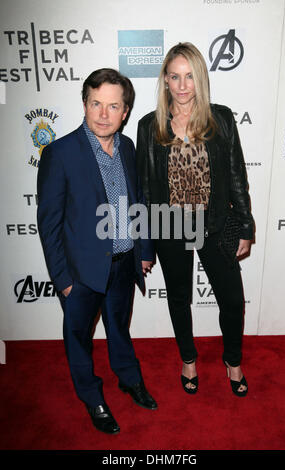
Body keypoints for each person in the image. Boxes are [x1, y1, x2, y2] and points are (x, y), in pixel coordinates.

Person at [37, 68, 157, 435]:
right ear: (85, 104)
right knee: (78, 338)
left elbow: (137, 203)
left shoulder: (129, 148)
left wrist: (144, 250)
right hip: (81, 273)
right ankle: (92, 397)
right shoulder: (60, 153)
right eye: (95, 104)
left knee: (119, 328)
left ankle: (128, 378)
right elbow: (49, 222)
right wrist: (63, 279)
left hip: (123, 264)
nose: (103, 114)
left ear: (125, 112)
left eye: (113, 106)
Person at [136, 43, 254, 397]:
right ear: (165, 81)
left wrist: (245, 226)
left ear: (200, 78)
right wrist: (144, 241)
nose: (183, 85)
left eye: (189, 76)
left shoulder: (221, 118)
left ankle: (232, 360)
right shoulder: (148, 126)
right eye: (175, 76)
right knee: (178, 298)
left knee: (232, 300)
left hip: (218, 222)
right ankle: (188, 358)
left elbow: (236, 175)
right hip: (171, 225)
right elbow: (144, 187)